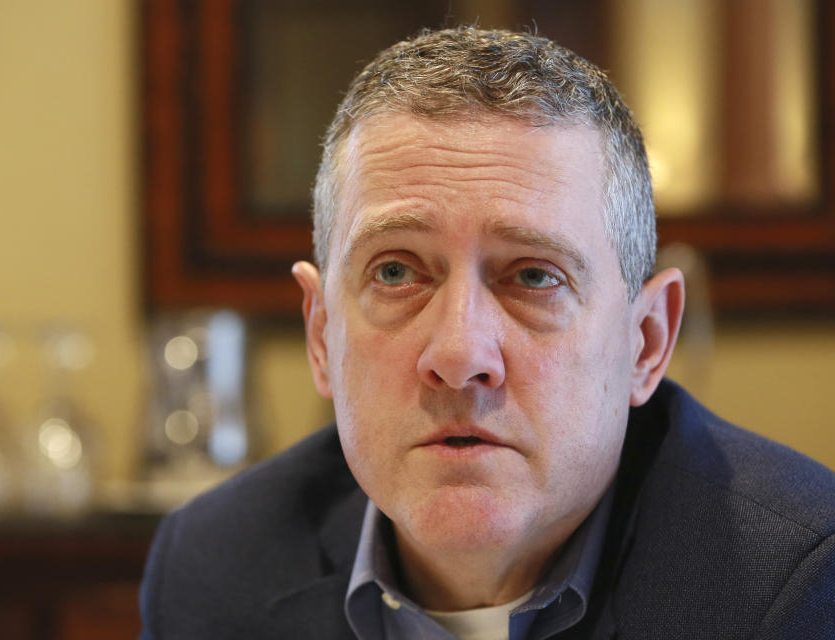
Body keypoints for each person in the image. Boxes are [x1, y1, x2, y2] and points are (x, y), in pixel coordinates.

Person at [139, 27, 835, 640]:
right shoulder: (212, 568)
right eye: (395, 272)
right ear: (322, 336)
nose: (459, 355)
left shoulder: (796, 586)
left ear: (646, 342)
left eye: (533, 277)